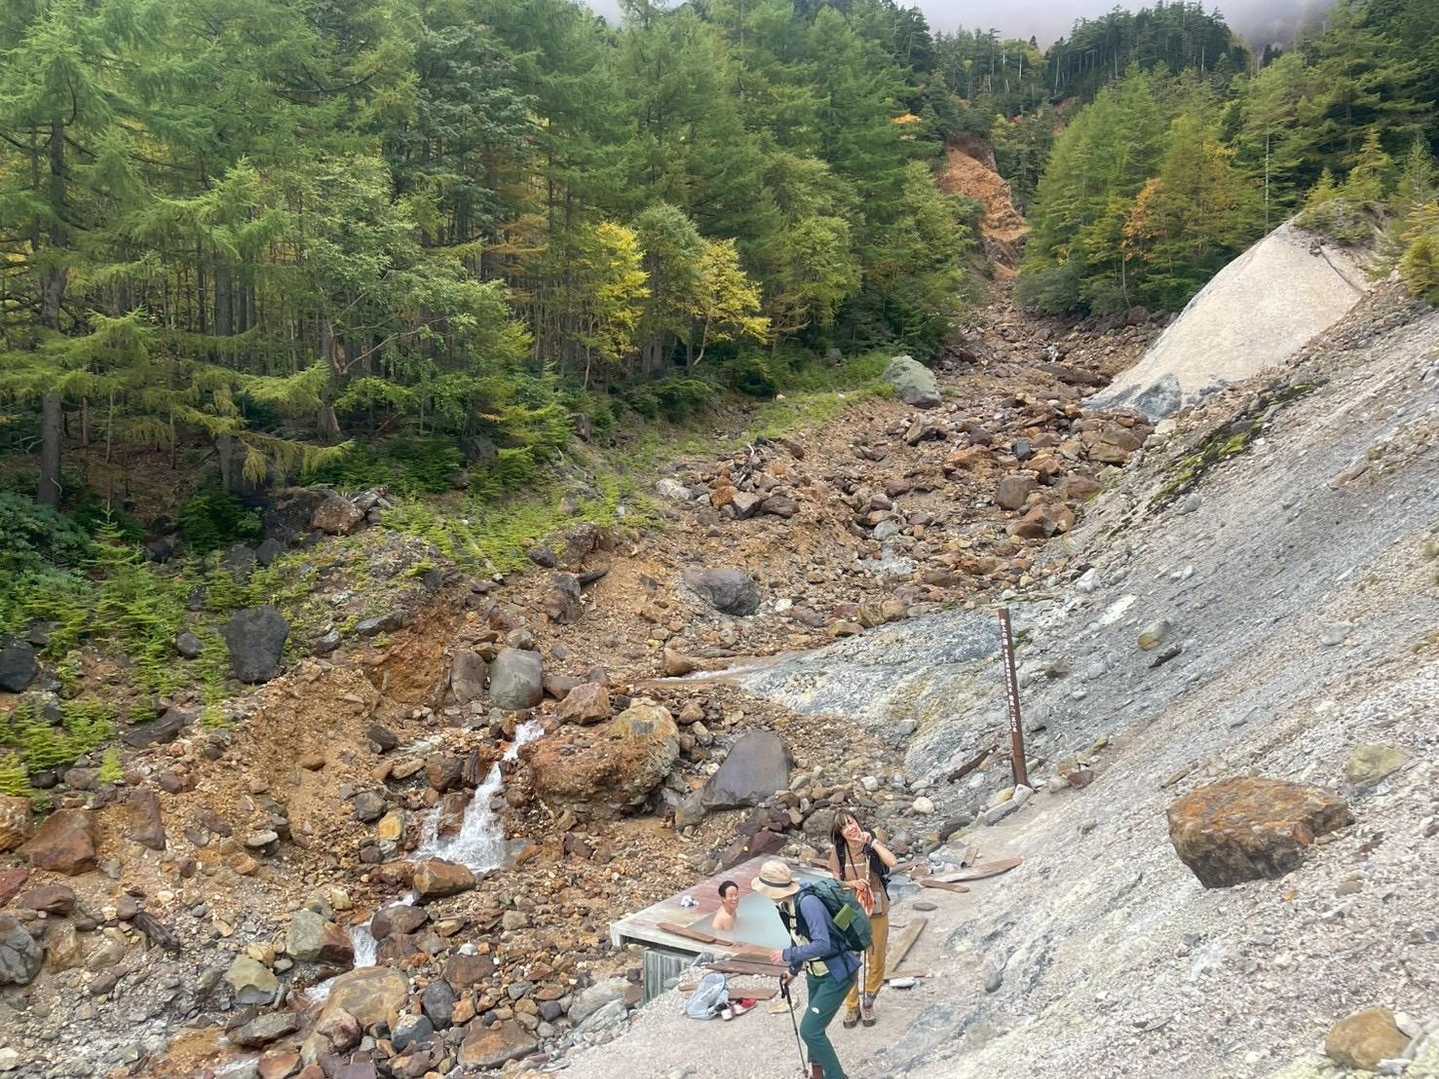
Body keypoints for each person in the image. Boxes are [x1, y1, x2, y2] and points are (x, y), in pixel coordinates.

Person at [753, 859, 858, 1079]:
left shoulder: (808, 903)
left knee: (810, 1030)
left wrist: (787, 954)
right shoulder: (786, 906)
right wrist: (793, 970)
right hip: (816, 973)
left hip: (837, 973)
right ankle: (816, 1073)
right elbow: (798, 936)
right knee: (815, 1029)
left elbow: (823, 944)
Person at [829, 809, 896, 1029]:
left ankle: (869, 1000)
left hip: (876, 905)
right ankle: (852, 1005)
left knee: (876, 956)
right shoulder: (838, 852)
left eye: (851, 822)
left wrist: (873, 842)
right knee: (849, 958)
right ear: (840, 832)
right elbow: (834, 883)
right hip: (849, 908)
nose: (850, 828)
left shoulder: (871, 844)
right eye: (844, 826)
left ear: (857, 822)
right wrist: (852, 884)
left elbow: (892, 862)